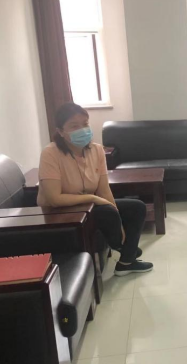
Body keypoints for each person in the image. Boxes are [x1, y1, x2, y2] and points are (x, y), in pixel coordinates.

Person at [37, 102, 153, 276]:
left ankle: (126, 261)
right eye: (74, 126)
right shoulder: (50, 153)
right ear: (60, 131)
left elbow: (104, 190)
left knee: (136, 207)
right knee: (106, 211)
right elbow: (54, 198)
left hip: (88, 207)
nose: (82, 129)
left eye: (85, 124)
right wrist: (93, 198)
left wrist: (118, 220)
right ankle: (126, 249)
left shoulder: (97, 150)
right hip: (59, 211)